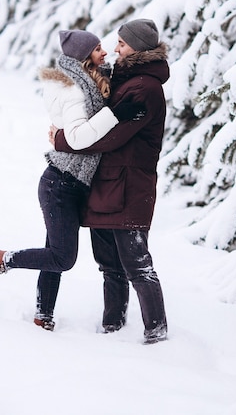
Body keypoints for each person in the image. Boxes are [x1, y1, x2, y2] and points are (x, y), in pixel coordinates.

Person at [0, 29, 145, 331]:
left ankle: (43, 313)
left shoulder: (91, 82)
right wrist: (116, 113)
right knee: (62, 257)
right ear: (83, 57)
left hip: (74, 184)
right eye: (98, 49)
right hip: (60, 184)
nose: (104, 53)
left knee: (53, 251)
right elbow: (77, 138)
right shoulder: (75, 90)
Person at [53, 19, 169, 344]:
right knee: (110, 266)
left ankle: (157, 332)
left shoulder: (144, 89)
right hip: (108, 185)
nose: (115, 48)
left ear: (139, 48)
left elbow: (110, 137)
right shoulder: (125, 79)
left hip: (130, 186)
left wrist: (62, 140)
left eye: (122, 43)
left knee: (136, 263)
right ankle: (112, 327)